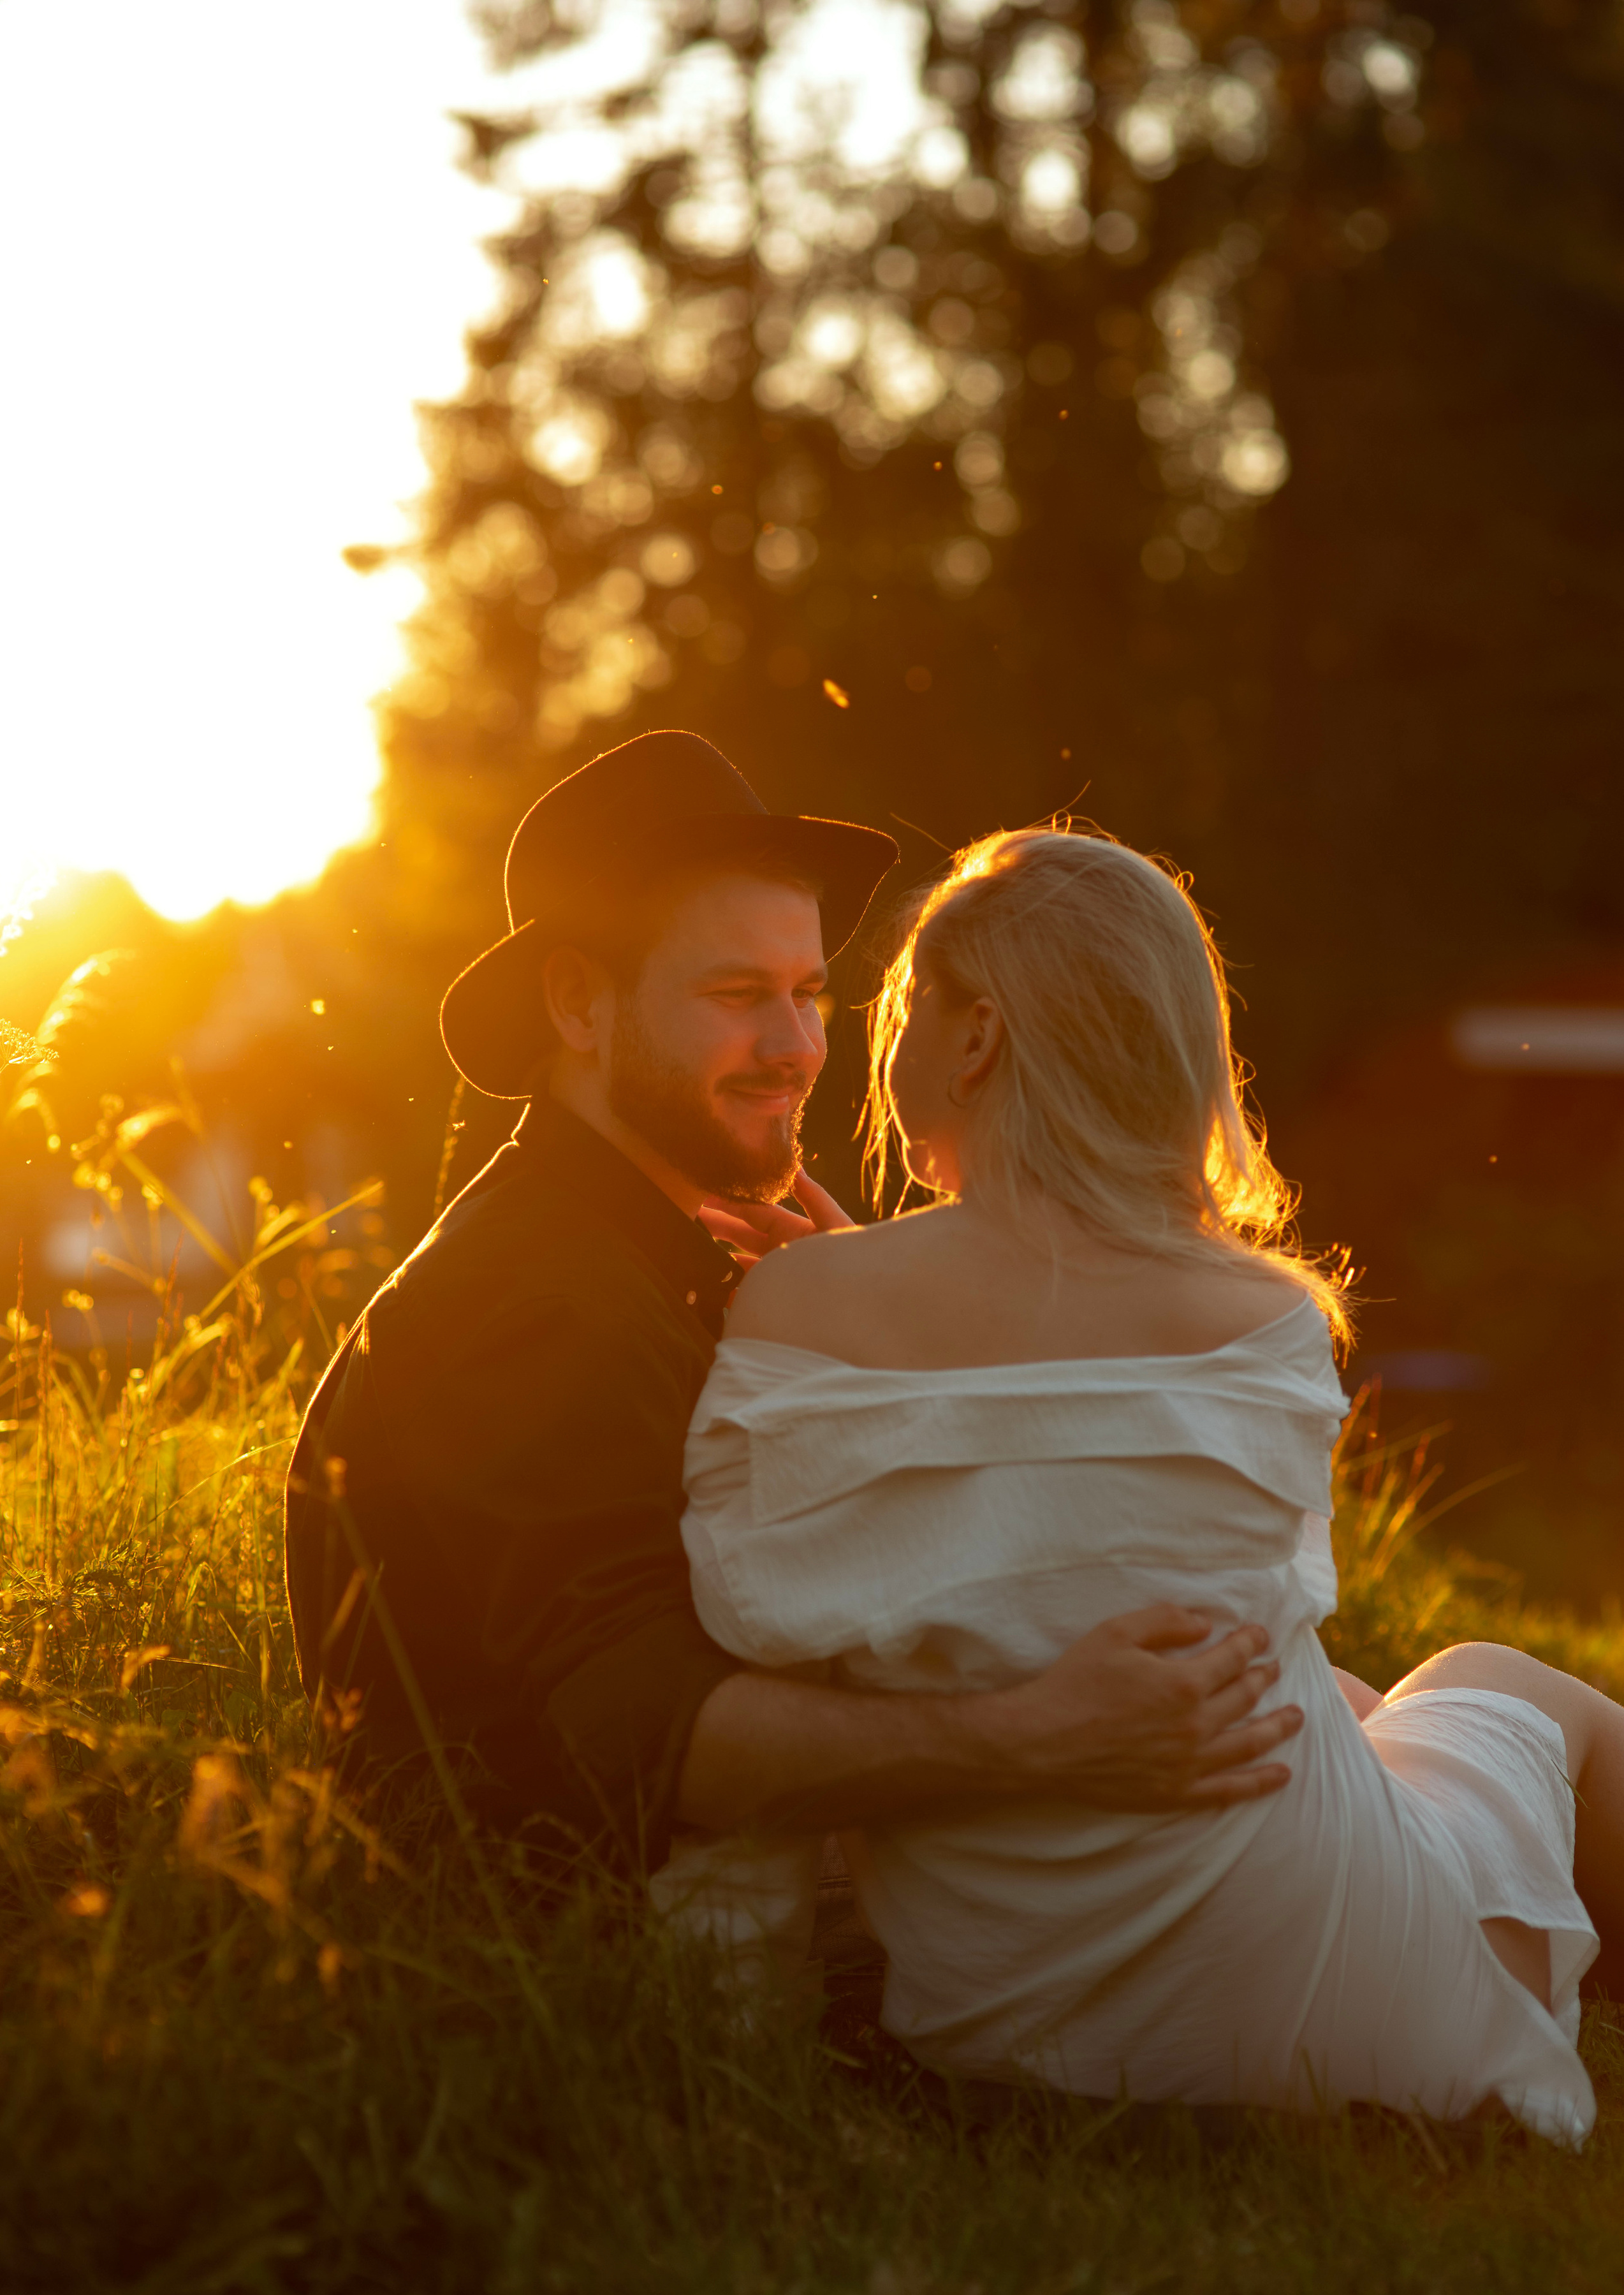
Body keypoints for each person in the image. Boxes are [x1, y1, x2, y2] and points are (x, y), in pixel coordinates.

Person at [662, 823, 1624, 2144]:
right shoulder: (1263, 1318)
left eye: (903, 1000)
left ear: (977, 1038)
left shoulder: (794, 1308)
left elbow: (958, 1540)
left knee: (1362, 1702)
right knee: (1503, 1685)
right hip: (1326, 1976)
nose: (870, 1043)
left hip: (1005, 2013)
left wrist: (846, 1285)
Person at [285, 732, 1299, 1873]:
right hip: (576, 1930)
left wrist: (882, 1331)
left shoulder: (665, 1253)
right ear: (578, 1003)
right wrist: (1039, 1740)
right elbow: (642, 1731)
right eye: (737, 995)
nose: (798, 1049)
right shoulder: (525, 1296)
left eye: (810, 994)